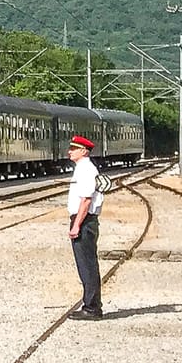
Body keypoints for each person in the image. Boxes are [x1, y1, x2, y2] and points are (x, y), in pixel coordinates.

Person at [65, 135, 104, 319]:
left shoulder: (86, 169)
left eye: (73, 148)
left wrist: (76, 225)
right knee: (86, 264)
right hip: (84, 220)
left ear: (83, 151)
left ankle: (92, 308)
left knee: (87, 265)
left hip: (85, 221)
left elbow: (86, 200)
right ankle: (90, 304)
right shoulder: (82, 168)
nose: (69, 151)